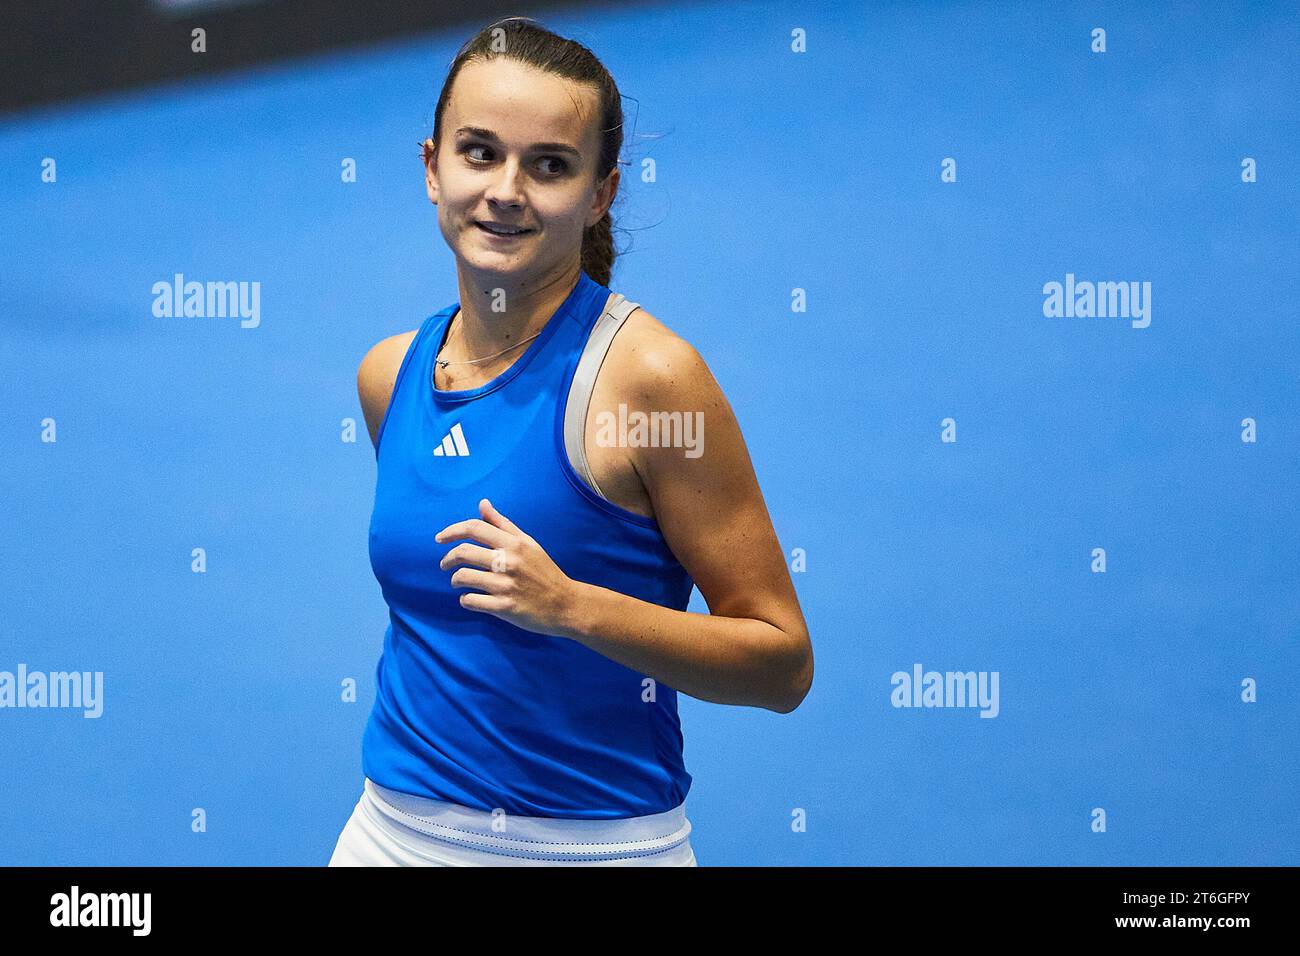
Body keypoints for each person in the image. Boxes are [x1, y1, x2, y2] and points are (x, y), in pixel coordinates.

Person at [329, 16, 812, 867]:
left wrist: (573, 606)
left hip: (594, 852)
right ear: (431, 169)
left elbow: (780, 665)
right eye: (478, 152)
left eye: (549, 165)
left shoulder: (651, 381)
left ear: (599, 194)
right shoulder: (390, 375)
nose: (506, 189)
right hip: (387, 840)